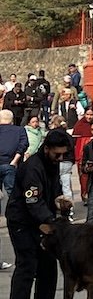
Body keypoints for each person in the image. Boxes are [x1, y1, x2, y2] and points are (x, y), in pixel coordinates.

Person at [3, 128, 69, 299]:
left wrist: (60, 201)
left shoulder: (52, 164)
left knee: (48, 265)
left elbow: (54, 189)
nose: (60, 158)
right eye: (56, 154)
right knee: (27, 265)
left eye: (63, 154)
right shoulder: (33, 167)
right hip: (22, 220)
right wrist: (51, 221)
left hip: (41, 219)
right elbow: (32, 201)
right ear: (46, 148)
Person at [0, 109, 29, 271]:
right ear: (11, 120)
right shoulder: (19, 130)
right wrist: (15, 160)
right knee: (12, 193)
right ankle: (14, 216)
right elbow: (24, 144)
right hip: (11, 163)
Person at [48, 115, 75, 212]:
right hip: (68, 162)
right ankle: (69, 210)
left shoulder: (53, 134)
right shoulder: (68, 135)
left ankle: (55, 207)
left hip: (56, 162)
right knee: (67, 186)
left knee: (54, 185)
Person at [72, 105, 93, 203]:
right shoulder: (79, 125)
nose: (89, 117)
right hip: (81, 156)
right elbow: (74, 141)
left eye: (91, 115)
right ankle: (84, 194)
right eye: (88, 114)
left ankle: (92, 195)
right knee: (84, 177)